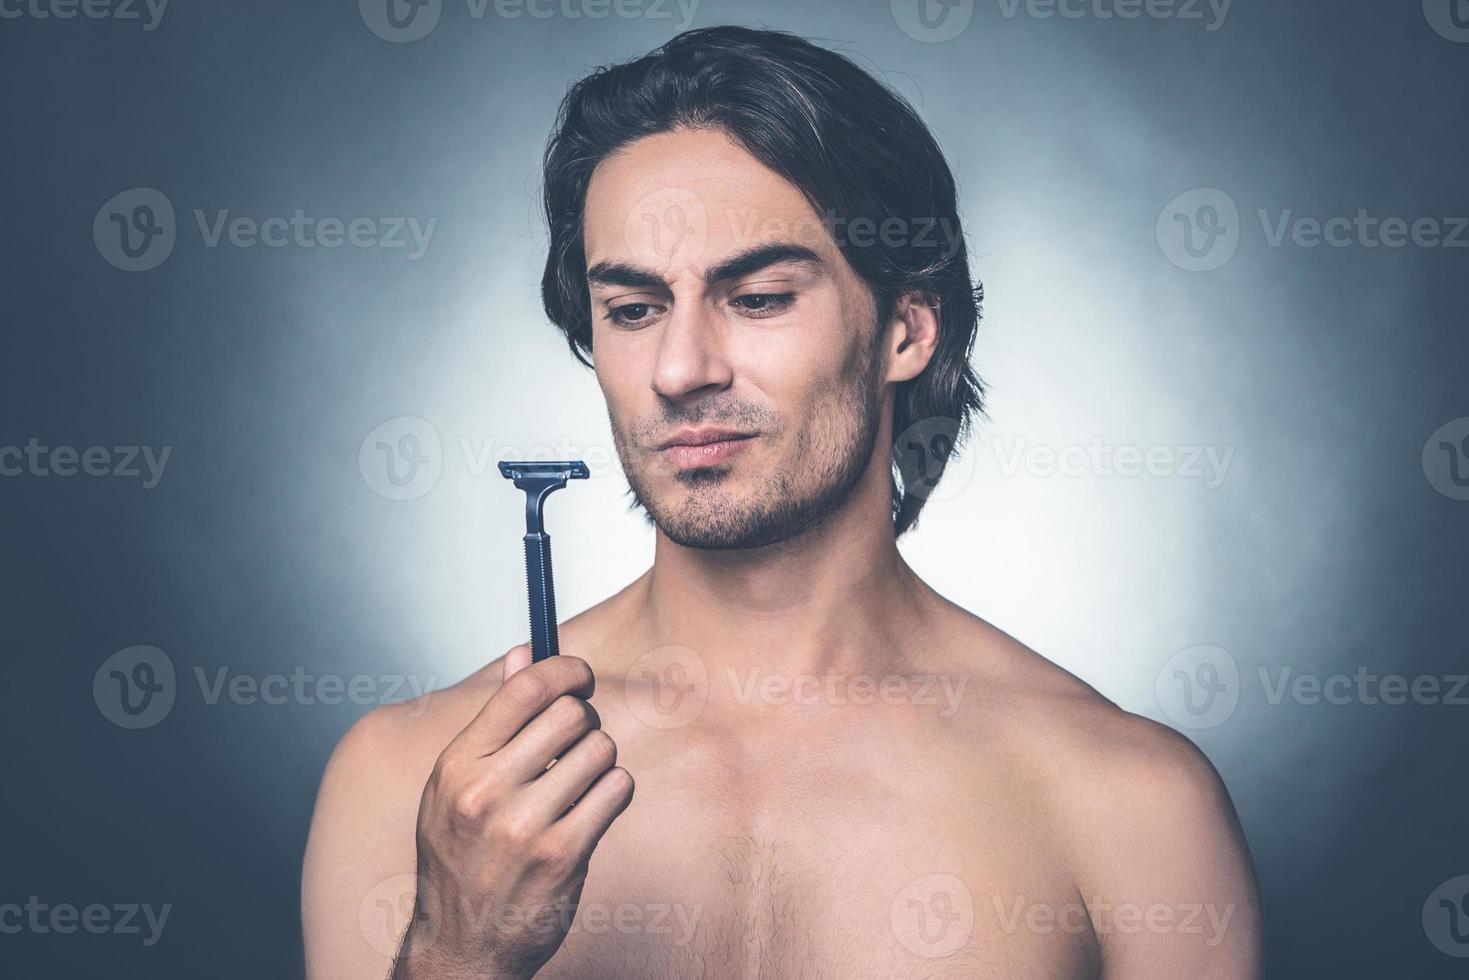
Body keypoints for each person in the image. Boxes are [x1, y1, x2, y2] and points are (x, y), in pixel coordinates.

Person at [302, 25, 1262, 979]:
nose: (679, 370)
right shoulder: (412, 785)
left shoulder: (1127, 806)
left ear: (905, 330)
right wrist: (457, 955)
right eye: (634, 311)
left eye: (758, 297)